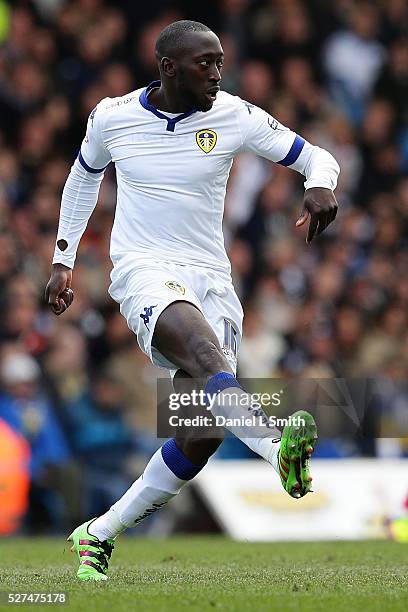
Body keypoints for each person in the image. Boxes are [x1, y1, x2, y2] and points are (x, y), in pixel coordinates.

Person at [45, 20, 339, 581]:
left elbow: (316, 156)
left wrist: (320, 183)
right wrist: (63, 257)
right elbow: (82, 178)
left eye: (220, 62)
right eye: (205, 63)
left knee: (200, 432)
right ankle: (279, 448)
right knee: (206, 359)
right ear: (168, 68)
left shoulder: (234, 114)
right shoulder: (113, 117)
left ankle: (99, 534)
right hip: (143, 269)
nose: (216, 73)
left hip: (211, 276)